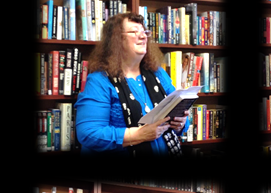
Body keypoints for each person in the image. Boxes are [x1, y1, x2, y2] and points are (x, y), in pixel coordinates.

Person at [74, 12, 190, 154]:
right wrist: (137, 135)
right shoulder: (100, 81)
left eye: (144, 32)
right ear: (117, 40)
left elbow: (181, 117)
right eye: (135, 32)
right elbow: (88, 133)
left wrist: (180, 123)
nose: (143, 36)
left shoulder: (158, 73)